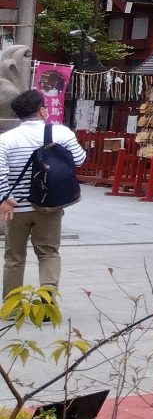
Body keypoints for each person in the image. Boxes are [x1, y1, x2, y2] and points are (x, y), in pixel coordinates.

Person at [1, 89, 87, 296]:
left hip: (16, 207)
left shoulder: (6, 139)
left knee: (14, 258)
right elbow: (80, 160)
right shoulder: (62, 133)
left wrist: (4, 199)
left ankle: (13, 307)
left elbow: (0, 172)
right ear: (42, 110)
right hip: (50, 204)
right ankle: (47, 303)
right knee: (48, 253)